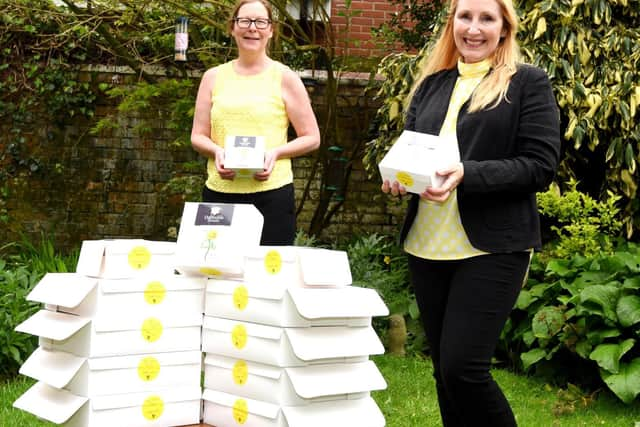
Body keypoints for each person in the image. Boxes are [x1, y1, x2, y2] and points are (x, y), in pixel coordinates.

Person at [381, 0, 560, 425]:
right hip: (427, 244)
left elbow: (540, 165)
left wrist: (467, 173)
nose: (474, 28)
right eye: (465, 16)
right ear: (452, 23)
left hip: (492, 246)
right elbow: (414, 153)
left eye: (486, 19)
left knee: (465, 369)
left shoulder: (527, 83)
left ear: (504, 28)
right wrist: (398, 177)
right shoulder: (432, 84)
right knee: (445, 374)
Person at [191, 0, 320, 245]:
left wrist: (276, 154)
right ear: (232, 27)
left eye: (261, 22)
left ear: (271, 30)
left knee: (267, 278)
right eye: (245, 21)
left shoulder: (285, 78)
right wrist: (217, 151)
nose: (253, 28)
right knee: (216, 274)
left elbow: (312, 137)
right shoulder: (212, 77)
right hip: (220, 195)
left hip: (271, 196)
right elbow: (198, 136)